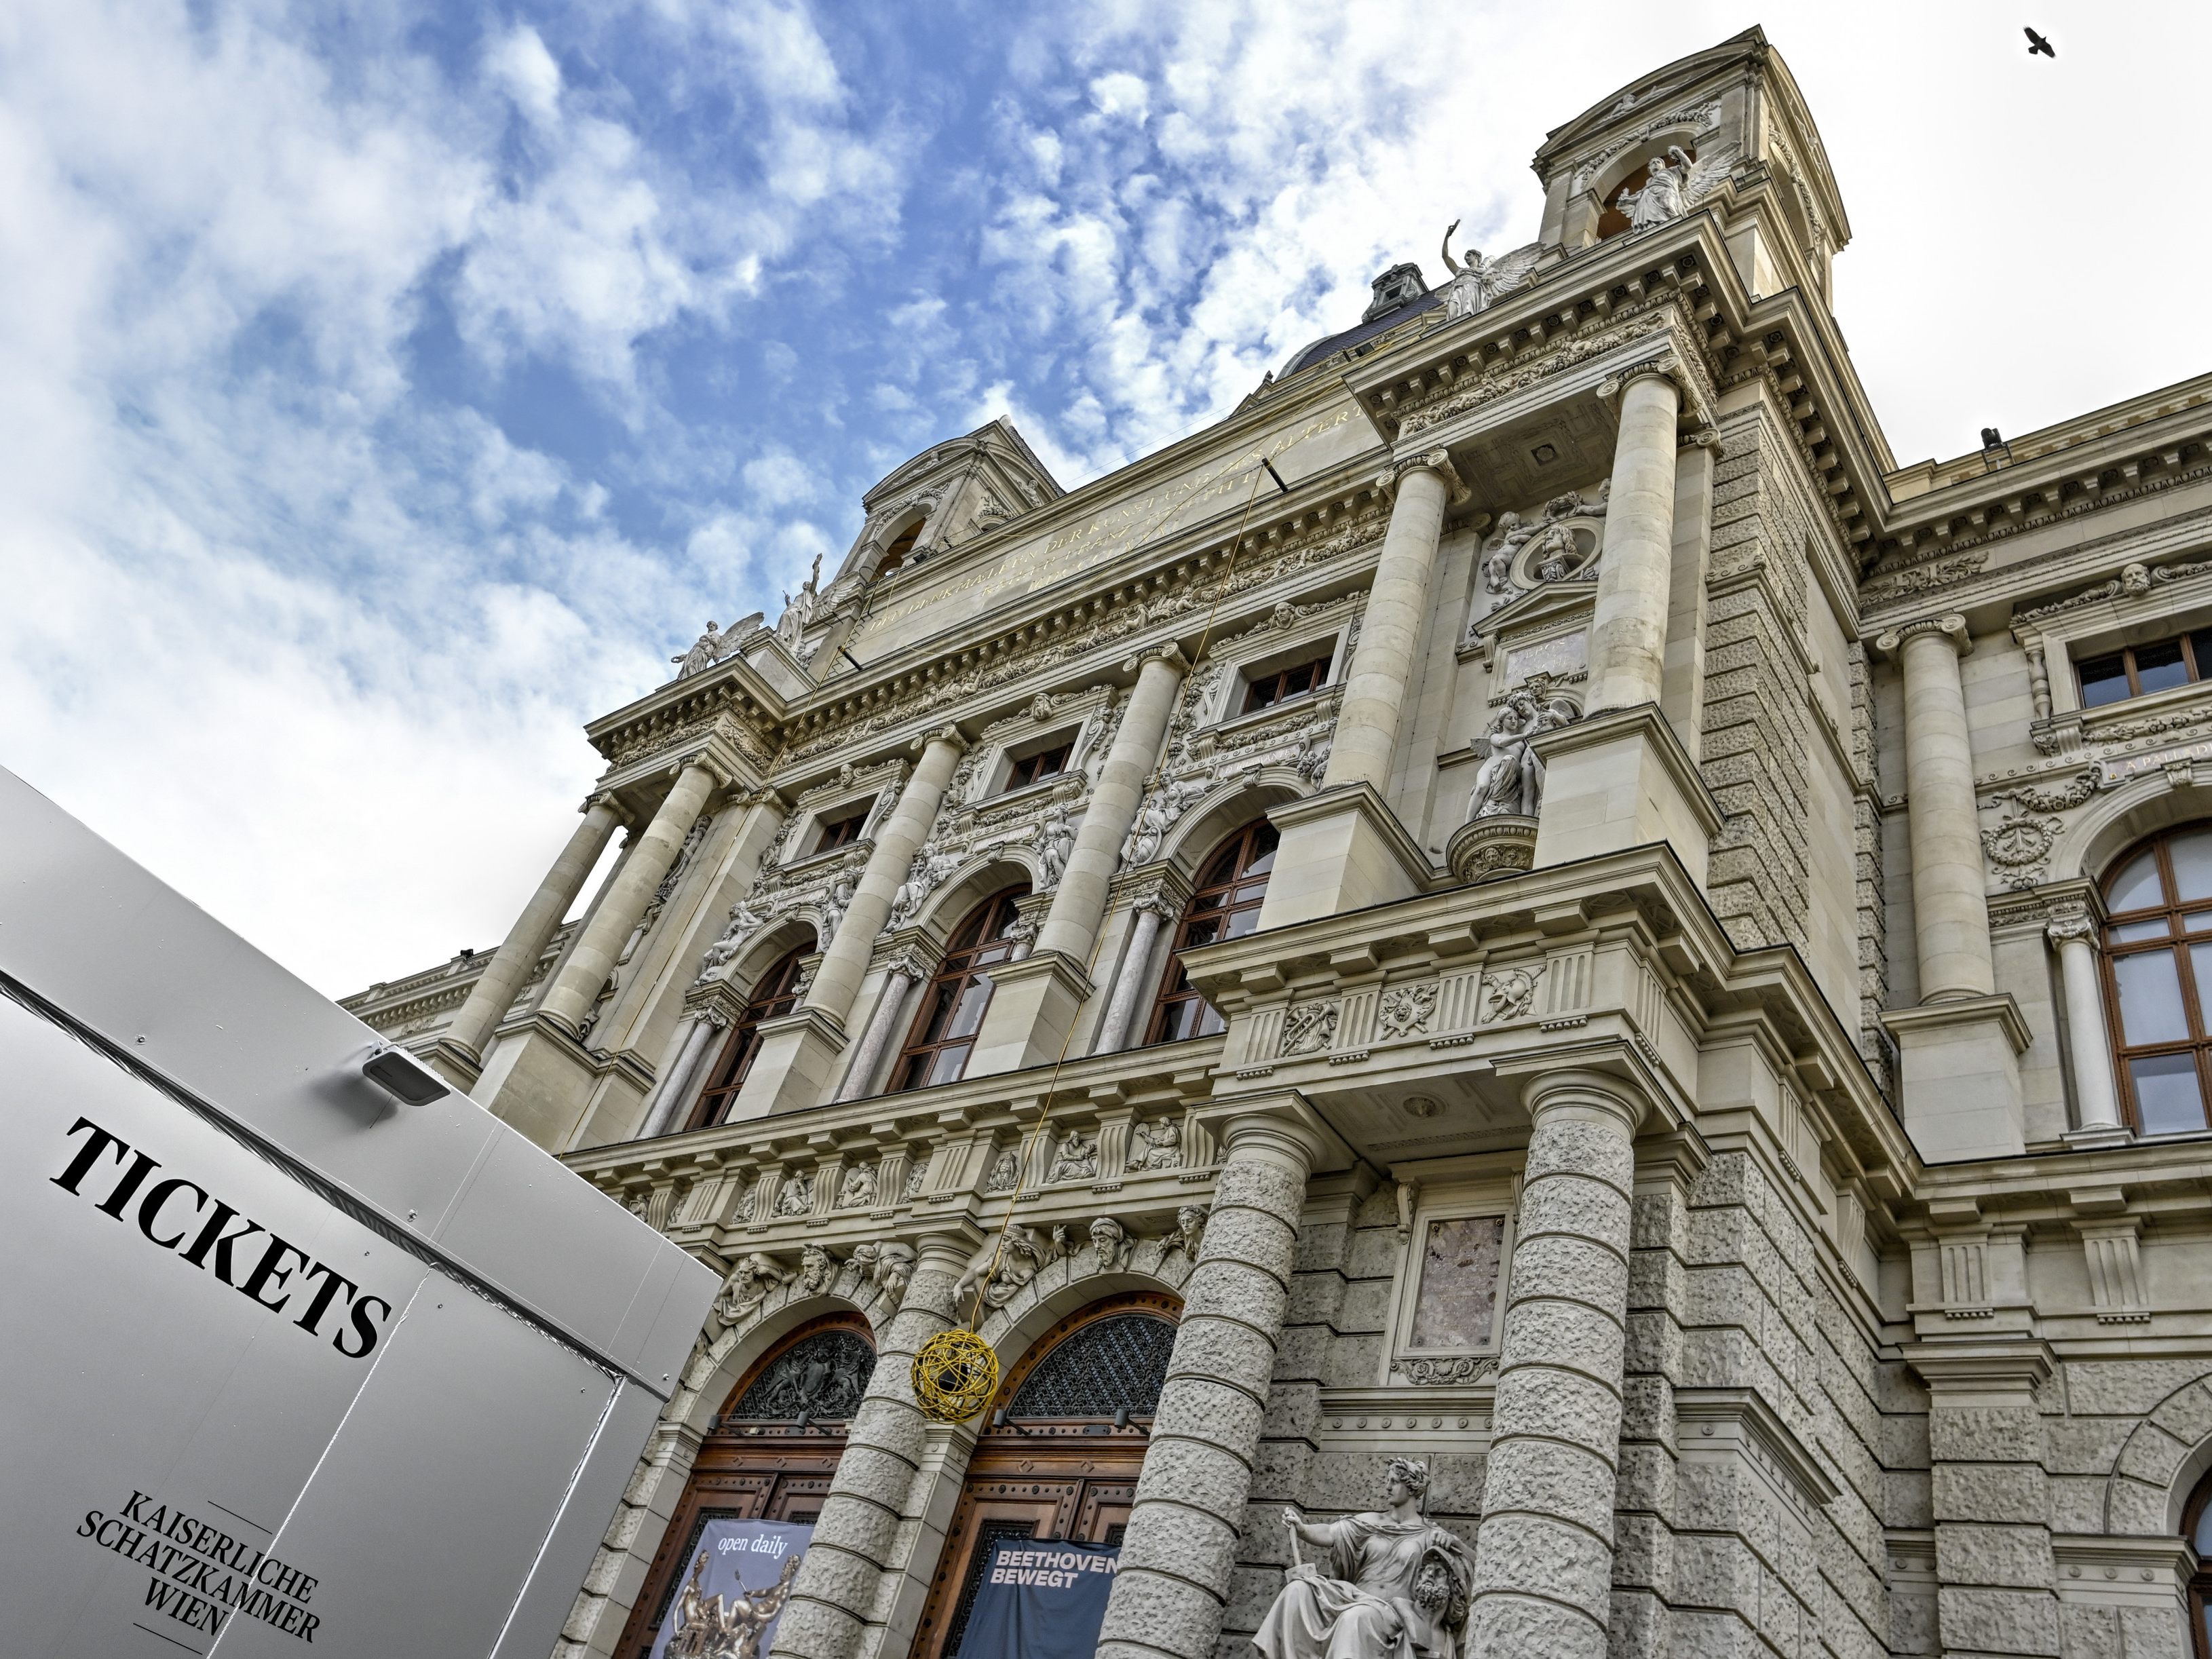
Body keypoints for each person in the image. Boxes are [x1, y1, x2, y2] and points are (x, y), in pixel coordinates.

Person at [1253, 1457, 1472, 1659]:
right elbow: (1331, 1533)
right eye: (1388, 1481)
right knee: (1297, 1590)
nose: (1388, 1487)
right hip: (1352, 1596)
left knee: (1356, 1617)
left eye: (1394, 1482)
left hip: (1389, 1612)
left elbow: (1475, 1567)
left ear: (1411, 1488)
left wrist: (1454, 1543)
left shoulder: (1429, 1535)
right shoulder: (1370, 1522)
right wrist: (1302, 1529)